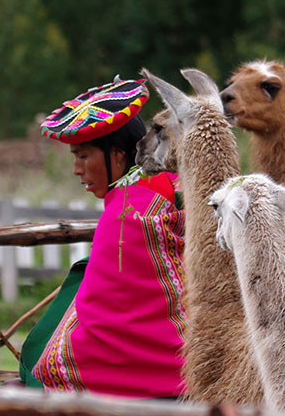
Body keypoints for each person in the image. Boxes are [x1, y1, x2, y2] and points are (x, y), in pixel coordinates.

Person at [27, 76, 186, 399]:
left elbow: (104, 319)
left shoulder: (125, 214)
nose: (76, 169)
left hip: (156, 385)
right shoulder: (174, 185)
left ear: (116, 154)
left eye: (83, 156)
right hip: (203, 367)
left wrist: (44, 369)